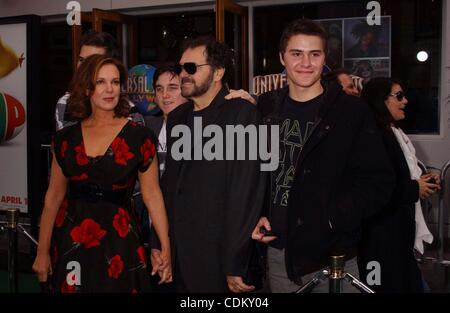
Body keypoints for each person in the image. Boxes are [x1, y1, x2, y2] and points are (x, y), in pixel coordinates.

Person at [251, 19, 395, 293]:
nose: (305, 63)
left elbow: (380, 183)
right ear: (282, 57)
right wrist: (258, 213)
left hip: (335, 257)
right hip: (279, 253)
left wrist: (333, 218)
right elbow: (253, 172)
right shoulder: (265, 107)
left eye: (314, 54)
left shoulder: (352, 112)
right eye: (296, 54)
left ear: (324, 58)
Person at [32, 55, 172, 292]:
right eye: (101, 82)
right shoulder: (65, 139)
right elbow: (53, 197)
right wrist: (42, 251)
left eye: (115, 82)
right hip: (71, 241)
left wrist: (165, 246)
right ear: (87, 88)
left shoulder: (139, 137)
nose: (110, 89)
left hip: (121, 244)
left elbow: (152, 195)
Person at [152, 36, 265, 293]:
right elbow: (169, 188)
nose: (183, 74)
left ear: (218, 72)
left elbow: (245, 194)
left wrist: (235, 261)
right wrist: (159, 243)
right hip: (180, 255)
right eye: (181, 67)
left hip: (218, 257)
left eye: (191, 68)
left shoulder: (241, 113)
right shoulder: (178, 117)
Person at [358, 77, 440, 293]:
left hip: (399, 232)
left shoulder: (393, 132)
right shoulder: (372, 136)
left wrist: (426, 178)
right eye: (399, 96)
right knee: (381, 285)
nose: (405, 101)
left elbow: (404, 171)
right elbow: (375, 185)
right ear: (380, 101)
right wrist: (415, 188)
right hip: (380, 236)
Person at [55, 30, 144, 131]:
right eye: (81, 60)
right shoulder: (66, 103)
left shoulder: (129, 111)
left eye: (91, 61)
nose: (83, 66)